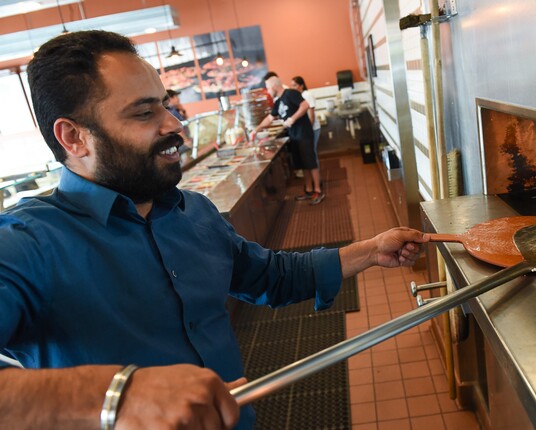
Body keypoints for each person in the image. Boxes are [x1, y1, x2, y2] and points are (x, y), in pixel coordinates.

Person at [0, 30, 427, 430]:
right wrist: (118, 396)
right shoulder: (25, 243)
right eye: (145, 113)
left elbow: (270, 275)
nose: (174, 124)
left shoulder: (193, 211)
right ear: (74, 137)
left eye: (165, 105)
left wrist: (370, 250)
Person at [252, 76, 324, 205]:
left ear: (274, 86)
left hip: (304, 133)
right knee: (303, 164)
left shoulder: (290, 93)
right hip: (294, 135)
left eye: (268, 88)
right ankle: (309, 190)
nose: (268, 91)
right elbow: (270, 118)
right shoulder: (279, 101)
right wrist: (256, 129)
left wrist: (292, 118)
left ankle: (318, 190)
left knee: (311, 162)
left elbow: (305, 105)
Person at [290, 76, 322, 168]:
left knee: (312, 152)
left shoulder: (307, 95)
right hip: (307, 129)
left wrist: (309, 130)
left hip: (313, 128)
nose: (292, 88)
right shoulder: (298, 96)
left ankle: (317, 175)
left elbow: (311, 116)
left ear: (301, 86)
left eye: (295, 85)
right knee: (309, 153)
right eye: (291, 85)